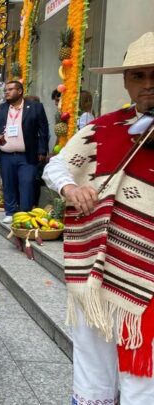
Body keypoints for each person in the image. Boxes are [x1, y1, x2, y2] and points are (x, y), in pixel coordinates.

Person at [42, 32, 154, 405]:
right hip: (94, 266)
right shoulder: (104, 128)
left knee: (143, 366)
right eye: (138, 75)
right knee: (92, 360)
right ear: (125, 81)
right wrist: (70, 190)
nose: (148, 85)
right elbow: (58, 165)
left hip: (146, 270)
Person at [0, 80, 50, 223]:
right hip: (6, 155)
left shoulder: (35, 107)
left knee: (27, 183)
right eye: (6, 90)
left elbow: (43, 130)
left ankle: (25, 213)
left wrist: (42, 150)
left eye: (10, 89)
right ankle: (10, 212)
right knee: (8, 183)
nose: (7, 92)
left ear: (20, 91)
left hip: (27, 154)